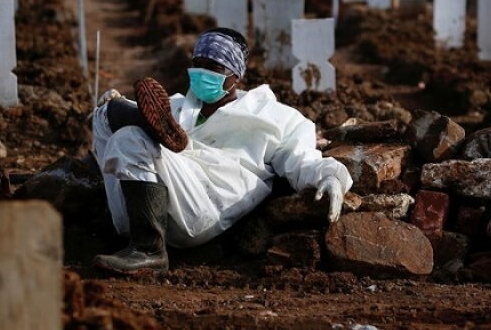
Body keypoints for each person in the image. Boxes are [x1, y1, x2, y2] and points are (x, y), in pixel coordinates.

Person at [91, 27, 353, 274]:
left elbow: (302, 158)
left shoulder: (274, 116)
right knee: (107, 119)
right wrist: (111, 108)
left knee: (130, 138)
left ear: (236, 76)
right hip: (146, 209)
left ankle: (149, 251)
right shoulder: (178, 105)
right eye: (197, 65)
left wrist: (331, 176)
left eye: (213, 68)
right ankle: (134, 123)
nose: (202, 73)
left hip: (205, 205)